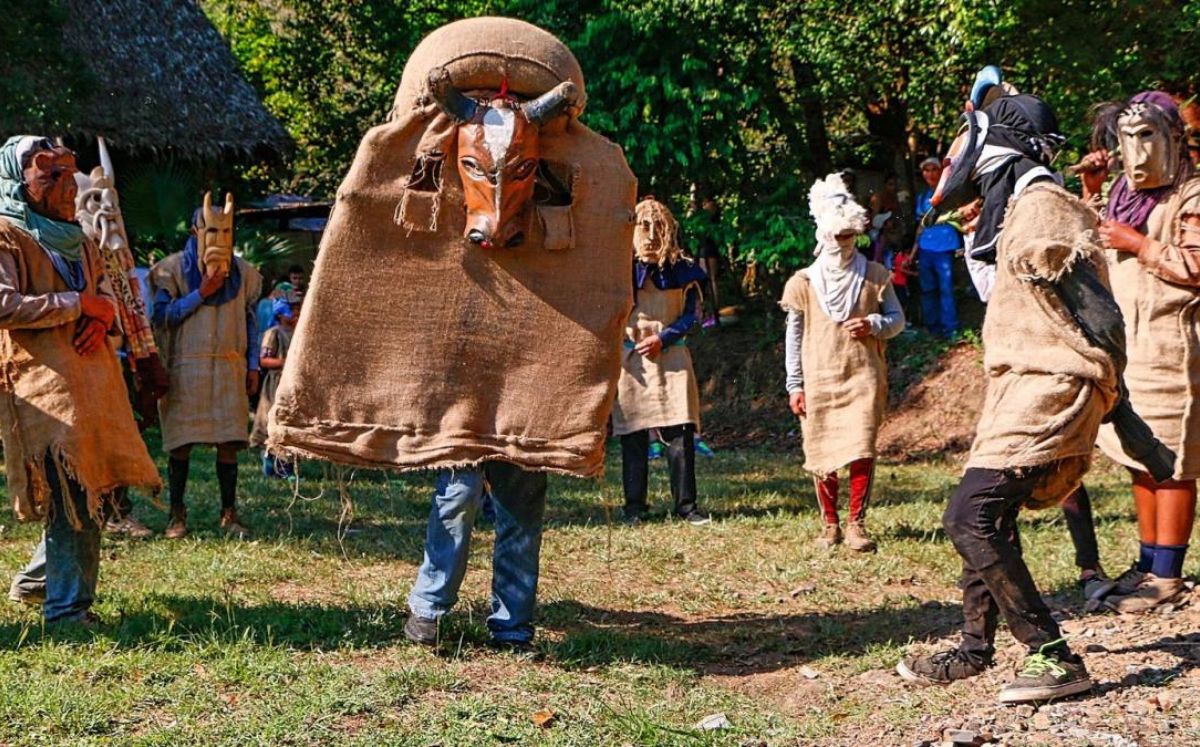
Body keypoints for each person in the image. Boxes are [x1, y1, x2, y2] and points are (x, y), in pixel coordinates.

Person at [896, 92, 1117, 703]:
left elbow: (1101, 315)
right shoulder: (1023, 207)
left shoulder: (1046, 207)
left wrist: (1111, 396)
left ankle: (1054, 656)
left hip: (1052, 384)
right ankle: (975, 647)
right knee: (986, 516)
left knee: (969, 516)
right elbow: (1015, 296)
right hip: (1019, 384)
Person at [1, 136, 160, 624]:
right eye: (49, 171)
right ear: (17, 179)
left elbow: (105, 296)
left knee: (97, 487)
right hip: (42, 393)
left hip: (95, 388)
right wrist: (77, 306)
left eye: (69, 171)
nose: (66, 183)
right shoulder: (7, 235)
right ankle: (68, 612)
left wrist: (102, 314)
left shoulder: (82, 240)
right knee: (74, 490)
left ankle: (35, 582)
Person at [1082, 91, 1200, 613]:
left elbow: (1196, 266)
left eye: (1148, 135)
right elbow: (1094, 244)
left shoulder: (1192, 195)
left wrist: (1139, 245)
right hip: (1131, 350)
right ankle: (1148, 561)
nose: (1137, 149)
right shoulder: (1126, 197)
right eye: (1127, 137)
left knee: (1173, 462)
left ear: (1174, 137)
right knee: (1139, 455)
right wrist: (1090, 191)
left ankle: (1167, 574)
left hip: (1174, 349)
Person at [782, 173, 904, 552]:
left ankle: (856, 523)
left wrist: (873, 324)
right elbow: (794, 335)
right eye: (838, 237)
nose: (844, 244)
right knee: (821, 449)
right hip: (819, 376)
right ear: (823, 234)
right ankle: (829, 524)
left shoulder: (876, 275)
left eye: (850, 236)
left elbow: (898, 320)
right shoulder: (803, 281)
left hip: (863, 376)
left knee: (861, 446)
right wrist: (794, 384)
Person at [151, 193, 262, 539]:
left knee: (229, 443)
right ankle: (176, 514)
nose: (220, 241)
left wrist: (253, 365)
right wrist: (202, 292)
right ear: (196, 231)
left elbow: (251, 322)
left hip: (229, 368)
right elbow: (161, 317)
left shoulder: (244, 274)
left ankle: (229, 513)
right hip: (186, 369)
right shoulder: (169, 270)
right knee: (181, 444)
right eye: (212, 232)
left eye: (226, 233)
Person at [612, 198, 710, 526]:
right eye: (644, 226)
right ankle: (635, 506)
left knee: (680, 431)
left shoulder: (684, 270)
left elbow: (689, 315)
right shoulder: (618, 270)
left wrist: (663, 338)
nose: (652, 234)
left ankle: (686, 506)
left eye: (658, 227)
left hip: (673, 357)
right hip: (632, 361)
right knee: (634, 436)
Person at [251, 289, 300, 478]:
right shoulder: (273, 333)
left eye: (298, 309)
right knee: (276, 422)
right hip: (276, 385)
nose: (296, 314)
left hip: (293, 385)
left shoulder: (298, 333)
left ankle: (284, 465)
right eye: (292, 310)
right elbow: (263, 360)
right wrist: (284, 362)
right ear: (280, 313)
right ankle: (276, 465)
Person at [914, 156, 963, 337]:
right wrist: (913, 252)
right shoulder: (922, 197)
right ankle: (932, 327)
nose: (930, 174)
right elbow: (920, 225)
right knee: (928, 290)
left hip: (945, 248)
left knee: (946, 289)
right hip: (925, 248)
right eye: (926, 170)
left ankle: (951, 328)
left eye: (933, 169)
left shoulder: (949, 194)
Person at [694, 196, 722, 328]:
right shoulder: (712, 219)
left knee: (706, 281)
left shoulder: (708, 220)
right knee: (708, 281)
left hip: (708, 250)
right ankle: (707, 312)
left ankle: (710, 313)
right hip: (707, 250)